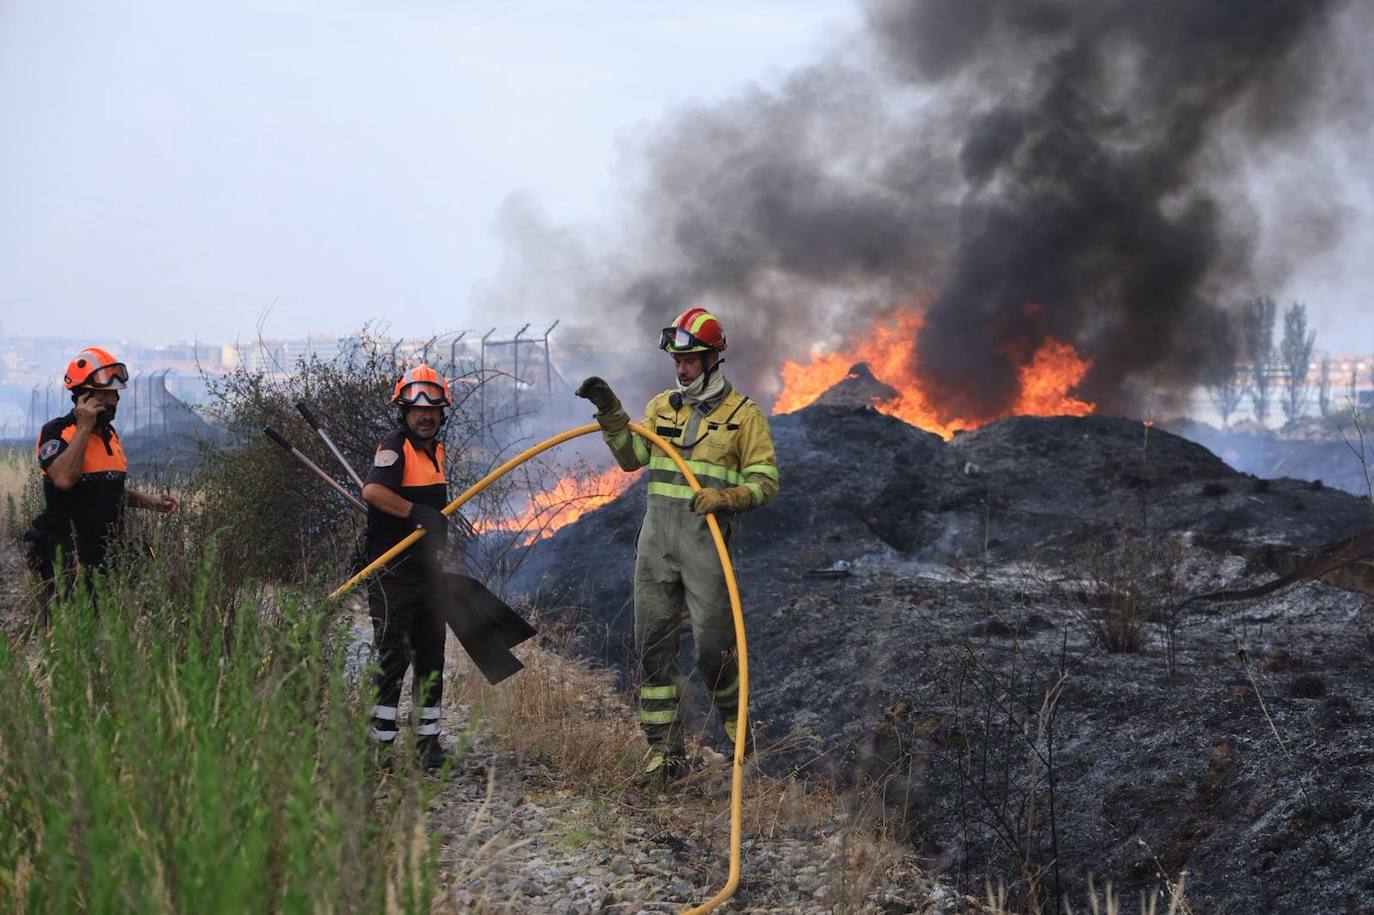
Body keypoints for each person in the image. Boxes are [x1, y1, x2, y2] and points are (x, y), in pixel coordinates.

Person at [576, 307, 780, 787]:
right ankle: (665, 756)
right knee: (652, 648)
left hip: (706, 545)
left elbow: (767, 480)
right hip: (655, 545)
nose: (682, 369)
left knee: (713, 651)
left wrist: (728, 497)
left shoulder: (743, 416)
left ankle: (740, 744)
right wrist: (611, 415)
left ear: (712, 358)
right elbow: (631, 459)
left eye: (690, 361)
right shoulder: (662, 407)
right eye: (677, 361)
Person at [25, 346, 180, 606]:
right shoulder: (55, 433)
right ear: (84, 395)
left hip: (109, 557)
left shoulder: (111, 435)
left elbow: (105, 491)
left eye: (115, 394)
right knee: (70, 638)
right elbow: (64, 479)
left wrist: (150, 501)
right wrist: (84, 426)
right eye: (107, 394)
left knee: (111, 635)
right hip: (69, 560)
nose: (114, 400)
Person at [360, 364, 454, 770]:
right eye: (416, 409)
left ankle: (426, 742)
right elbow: (373, 490)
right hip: (393, 572)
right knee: (393, 655)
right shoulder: (394, 446)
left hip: (426, 572)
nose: (425, 415)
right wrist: (415, 512)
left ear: (443, 411)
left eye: (432, 408)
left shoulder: (436, 450)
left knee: (431, 655)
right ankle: (380, 746)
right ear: (403, 411)